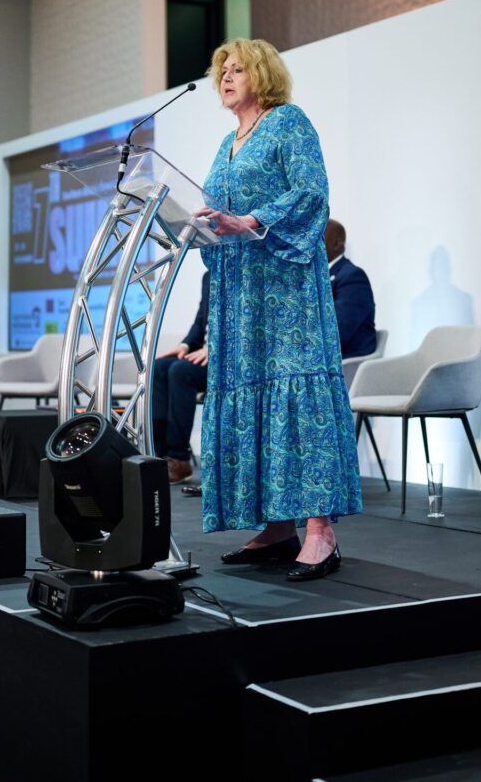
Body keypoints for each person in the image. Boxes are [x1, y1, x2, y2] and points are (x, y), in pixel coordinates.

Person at [196, 38, 362, 582]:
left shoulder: (288, 123)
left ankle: (319, 530)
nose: (226, 77)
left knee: (296, 391)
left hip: (286, 290)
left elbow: (313, 194)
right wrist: (204, 225)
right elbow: (223, 212)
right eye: (222, 69)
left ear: (261, 74)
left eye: (237, 69)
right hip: (241, 296)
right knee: (256, 399)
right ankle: (277, 526)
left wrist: (251, 220)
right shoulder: (227, 143)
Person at [152, 271, 210, 484]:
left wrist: (214, 348)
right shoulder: (208, 276)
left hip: (231, 358)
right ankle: (159, 456)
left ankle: (178, 459)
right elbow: (200, 322)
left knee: (180, 372)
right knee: (159, 368)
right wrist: (184, 345)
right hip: (203, 354)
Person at [324, 219, 377, 358]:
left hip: (348, 360)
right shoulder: (317, 277)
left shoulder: (352, 277)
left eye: (318, 239)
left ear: (336, 244)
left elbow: (338, 332)